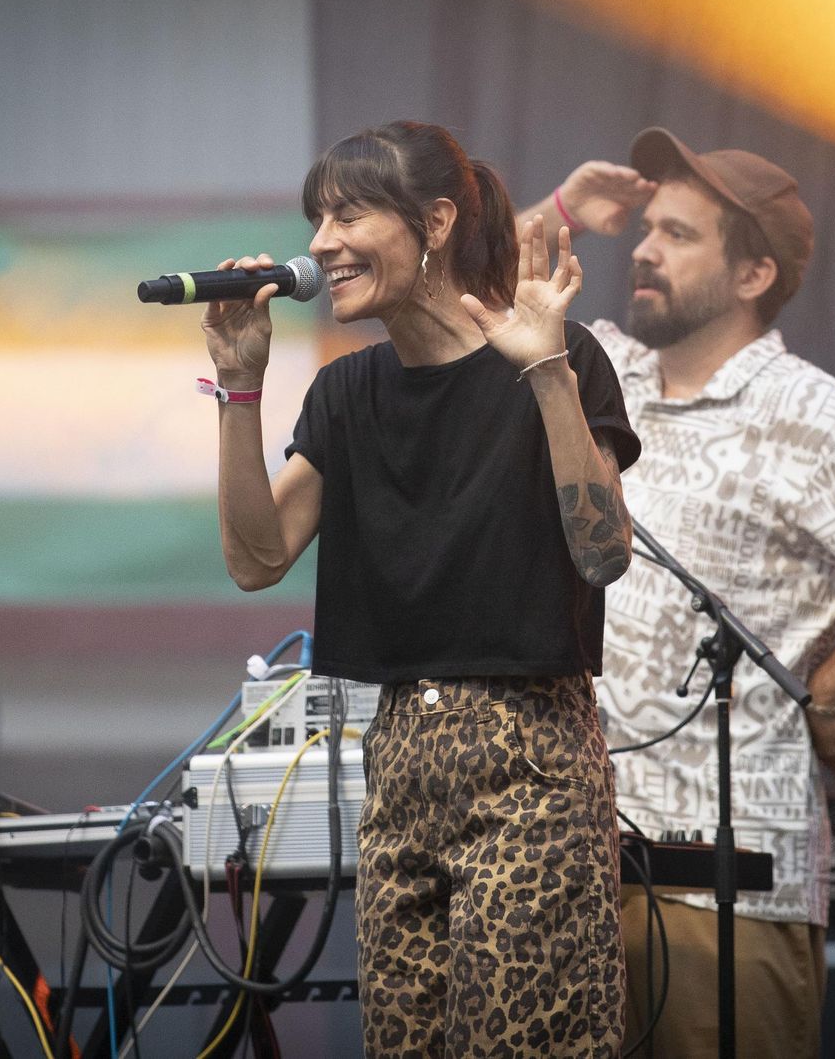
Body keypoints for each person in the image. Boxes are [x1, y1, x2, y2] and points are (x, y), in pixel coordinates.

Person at [522, 128, 835, 1058]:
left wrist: (827, 685)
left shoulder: (814, 415)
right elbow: (470, 302)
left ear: (753, 275)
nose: (646, 250)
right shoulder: (604, 368)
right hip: (570, 869)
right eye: (647, 229)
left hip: (728, 875)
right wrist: (560, 213)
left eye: (680, 234)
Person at [199, 121, 641, 1058]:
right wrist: (242, 384)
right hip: (399, 759)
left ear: (435, 222)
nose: (319, 242)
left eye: (348, 213)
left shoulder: (561, 360)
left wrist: (548, 373)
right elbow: (255, 555)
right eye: (315, 217)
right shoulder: (347, 394)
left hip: (530, 759)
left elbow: (602, 553)